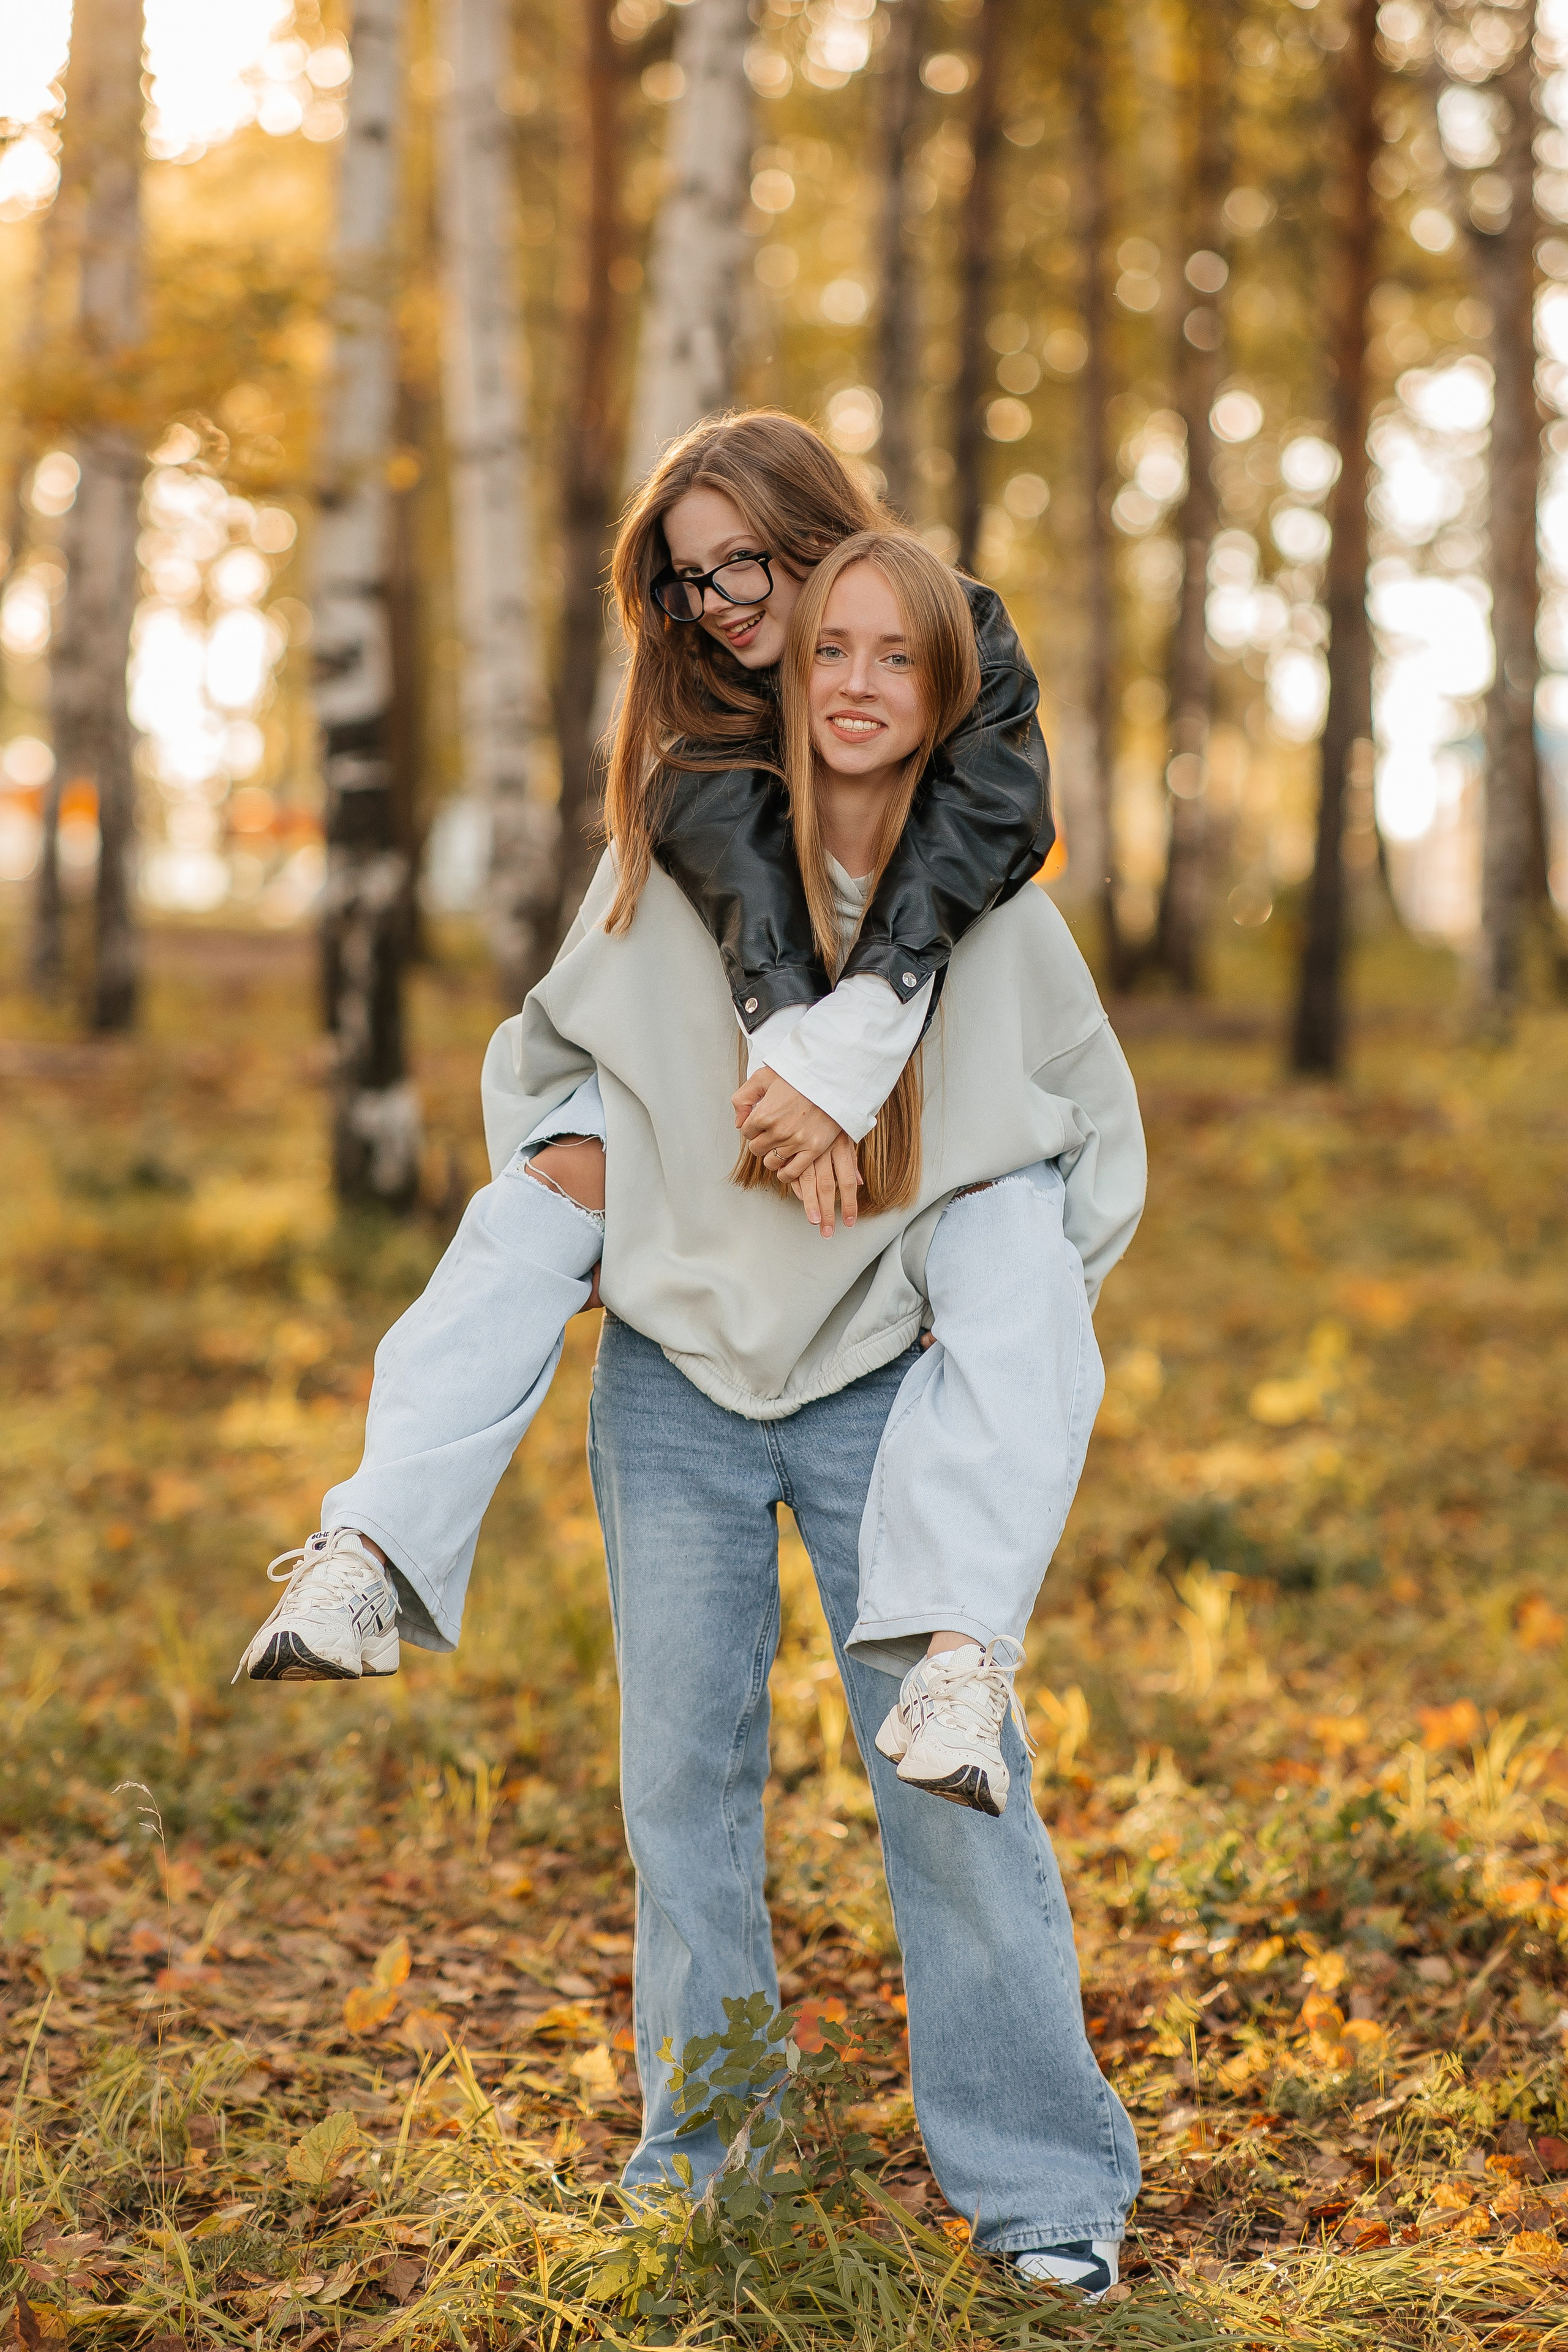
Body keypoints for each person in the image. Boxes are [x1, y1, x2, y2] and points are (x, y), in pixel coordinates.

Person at [475, 526, 1144, 2297]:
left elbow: (1091, 1147)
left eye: (892, 660)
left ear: (944, 695)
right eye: (820, 652)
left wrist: (986, 1318)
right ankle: (710, 2157)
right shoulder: (669, 865)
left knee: (954, 1782)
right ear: (776, 673)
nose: (851, 685)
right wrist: (603, 1224)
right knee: (682, 1793)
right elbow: (541, 1077)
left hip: (880, 1395)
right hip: (680, 1395)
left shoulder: (993, 915)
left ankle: (1045, 2198)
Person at [236, 416, 1052, 1722]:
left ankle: (965, 1647)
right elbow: (755, 927)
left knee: (1016, 1260)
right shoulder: (692, 736)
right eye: (686, 581)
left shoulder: (949, 641)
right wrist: (805, 1074)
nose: (713, 607)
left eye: (742, 567)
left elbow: (987, 822)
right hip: (669, 1057)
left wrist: (847, 1057)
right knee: (544, 1195)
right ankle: (368, 1548)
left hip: (920, 1096)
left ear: (812, 538)